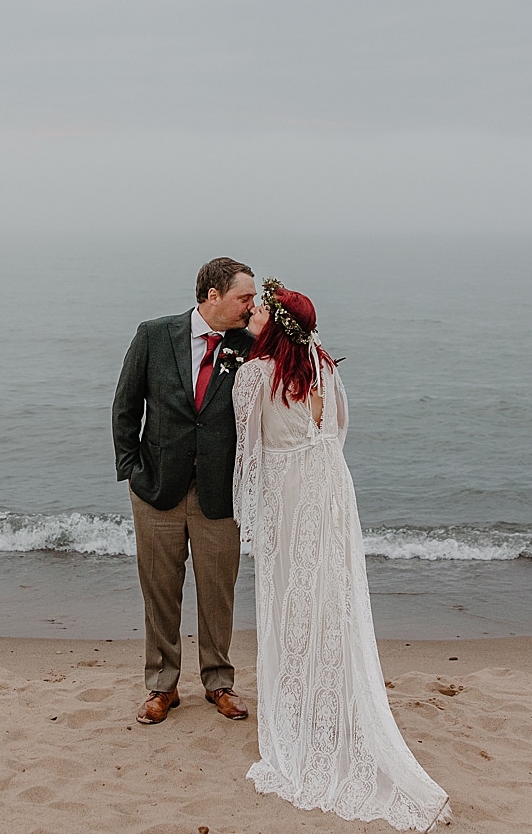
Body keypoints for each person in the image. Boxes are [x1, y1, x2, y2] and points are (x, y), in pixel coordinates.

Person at [232, 280, 451, 831]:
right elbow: (340, 430)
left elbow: (249, 458)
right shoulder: (324, 366)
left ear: (277, 324)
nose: (253, 310)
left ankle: (301, 714)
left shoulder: (253, 377)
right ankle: (334, 700)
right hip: (331, 490)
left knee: (289, 598)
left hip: (289, 491)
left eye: (261, 307)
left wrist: (250, 522)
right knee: (332, 596)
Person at [112, 256, 261, 726]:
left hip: (221, 495)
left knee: (219, 593)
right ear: (213, 297)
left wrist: (264, 336)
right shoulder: (154, 336)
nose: (251, 306)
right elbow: (125, 405)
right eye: (244, 298)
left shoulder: (250, 345)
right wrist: (132, 471)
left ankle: (218, 681)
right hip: (157, 489)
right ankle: (162, 686)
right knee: (160, 592)